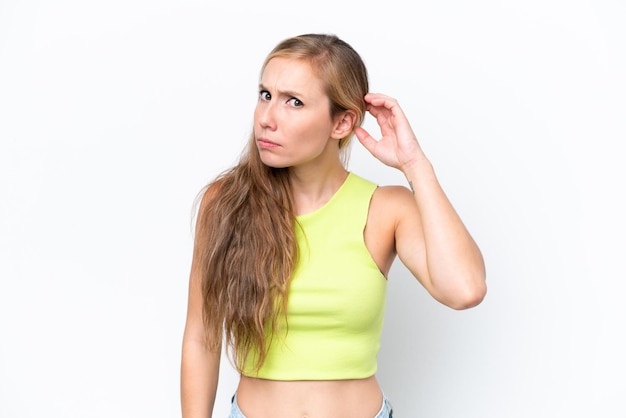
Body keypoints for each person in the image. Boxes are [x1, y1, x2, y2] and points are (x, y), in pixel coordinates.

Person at [180, 33, 486, 418]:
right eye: (265, 94)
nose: (266, 118)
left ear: (342, 122)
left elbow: (465, 289)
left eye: (294, 102)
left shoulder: (385, 208)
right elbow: (201, 337)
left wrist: (415, 165)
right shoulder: (225, 202)